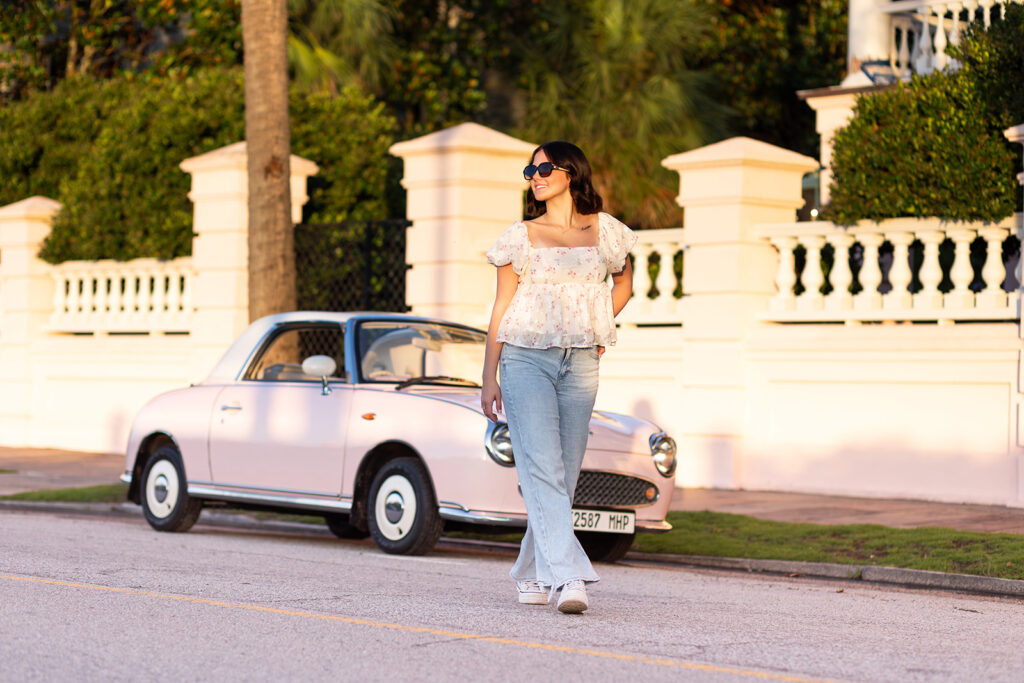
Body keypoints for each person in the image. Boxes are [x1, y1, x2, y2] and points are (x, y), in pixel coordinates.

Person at [481, 141, 637, 614]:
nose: (535, 175)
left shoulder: (606, 231)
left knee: (562, 476)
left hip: (581, 362)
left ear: (571, 171)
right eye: (531, 169)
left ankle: (530, 572)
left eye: (544, 166)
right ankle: (569, 577)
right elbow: (501, 306)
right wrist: (489, 375)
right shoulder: (520, 236)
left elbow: (625, 285)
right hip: (526, 358)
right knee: (544, 468)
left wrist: (594, 325)